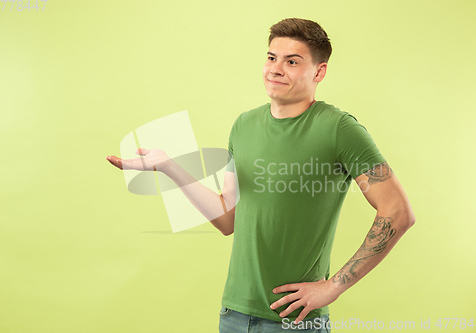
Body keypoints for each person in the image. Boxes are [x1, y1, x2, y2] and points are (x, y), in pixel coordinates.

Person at [106, 18, 415, 333]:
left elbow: (398, 211)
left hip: (294, 322)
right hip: (234, 314)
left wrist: (334, 286)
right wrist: (169, 167)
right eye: (271, 58)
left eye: (292, 61)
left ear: (319, 72)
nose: (276, 69)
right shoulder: (244, 126)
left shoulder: (338, 129)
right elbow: (229, 219)